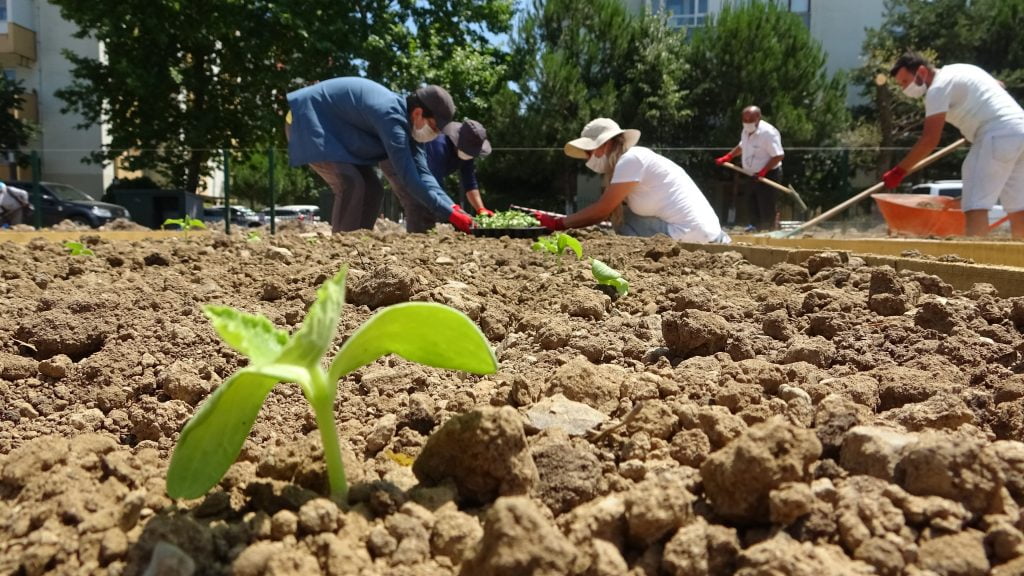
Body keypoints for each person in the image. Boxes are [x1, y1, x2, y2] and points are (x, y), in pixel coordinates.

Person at [285, 77, 474, 234]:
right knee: (351, 183)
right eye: (434, 126)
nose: (435, 133)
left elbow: (424, 174)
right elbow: (410, 179)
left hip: (333, 128)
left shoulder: (411, 128)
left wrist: (453, 208)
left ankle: (357, 243)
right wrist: (449, 215)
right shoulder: (391, 117)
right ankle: (342, 248)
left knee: (374, 188)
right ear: (418, 113)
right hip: (306, 117)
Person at [883, 52, 1024, 238]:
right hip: (1019, 129)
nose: (904, 88)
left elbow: (929, 140)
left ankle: (976, 262)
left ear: (922, 71)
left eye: (905, 81)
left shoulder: (938, 88)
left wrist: (899, 171)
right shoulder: (963, 69)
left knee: (975, 204)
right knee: (1019, 207)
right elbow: (999, 86)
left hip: (995, 134)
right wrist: (971, 126)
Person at [536, 118, 729, 244]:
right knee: (622, 215)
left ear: (607, 144)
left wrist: (559, 223)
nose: (588, 158)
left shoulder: (631, 159)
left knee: (623, 219)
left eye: (589, 152)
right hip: (705, 233)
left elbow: (602, 210)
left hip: (691, 234)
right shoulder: (635, 159)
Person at [383, 119, 494, 233]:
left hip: (426, 175)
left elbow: (470, 182)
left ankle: (425, 239)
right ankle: (418, 241)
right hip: (397, 163)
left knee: (428, 208)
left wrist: (481, 209)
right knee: (419, 204)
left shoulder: (468, 154)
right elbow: (431, 186)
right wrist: (455, 212)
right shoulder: (439, 145)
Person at [715, 106, 785, 231]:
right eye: (745, 120)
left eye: (750, 119)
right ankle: (755, 227)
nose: (747, 123)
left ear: (758, 118)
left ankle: (770, 230)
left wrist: (764, 171)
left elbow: (779, 155)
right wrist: (728, 156)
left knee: (766, 204)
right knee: (751, 201)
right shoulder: (746, 131)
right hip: (751, 173)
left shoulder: (768, 133)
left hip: (769, 174)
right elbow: (742, 146)